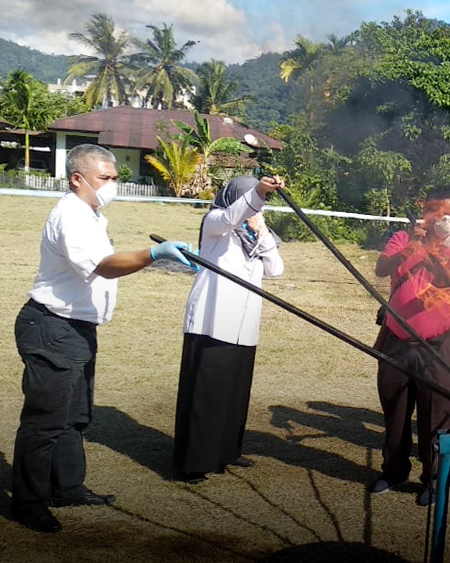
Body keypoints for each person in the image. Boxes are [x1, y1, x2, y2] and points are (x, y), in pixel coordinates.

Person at [11, 144, 190, 533]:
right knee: (45, 423)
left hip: (76, 329)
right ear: (78, 178)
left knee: (75, 417)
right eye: (104, 178)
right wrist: (154, 254)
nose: (112, 185)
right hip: (51, 327)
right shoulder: (71, 215)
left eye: (114, 177)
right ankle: (29, 502)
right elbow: (105, 268)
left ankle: (68, 488)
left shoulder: (90, 214)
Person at [173, 175, 285, 485]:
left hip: (244, 325)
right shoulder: (215, 223)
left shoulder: (256, 233)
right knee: (207, 393)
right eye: (252, 199)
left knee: (235, 393)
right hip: (214, 320)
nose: (255, 209)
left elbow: (276, 270)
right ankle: (195, 461)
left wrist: (261, 233)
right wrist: (257, 196)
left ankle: (227, 451)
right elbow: (232, 215)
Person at [372, 186, 450, 506]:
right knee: (396, 412)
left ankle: (433, 479)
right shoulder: (404, 239)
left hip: (440, 346)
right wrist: (416, 245)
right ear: (428, 212)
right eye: (442, 214)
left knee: (438, 416)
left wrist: (432, 252)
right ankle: (393, 470)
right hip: (396, 341)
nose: (448, 222)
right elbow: (382, 268)